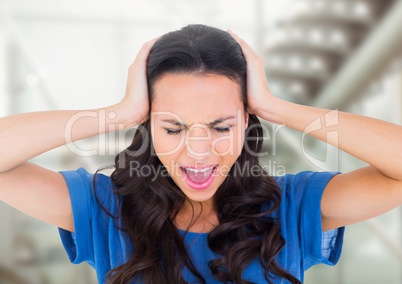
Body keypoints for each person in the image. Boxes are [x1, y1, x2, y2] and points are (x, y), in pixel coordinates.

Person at [0, 24, 401, 284]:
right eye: (173, 128)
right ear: (149, 125)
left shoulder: (292, 205)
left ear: (247, 121)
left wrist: (276, 106)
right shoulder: (106, 208)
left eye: (221, 126)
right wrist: (119, 112)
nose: (198, 150)